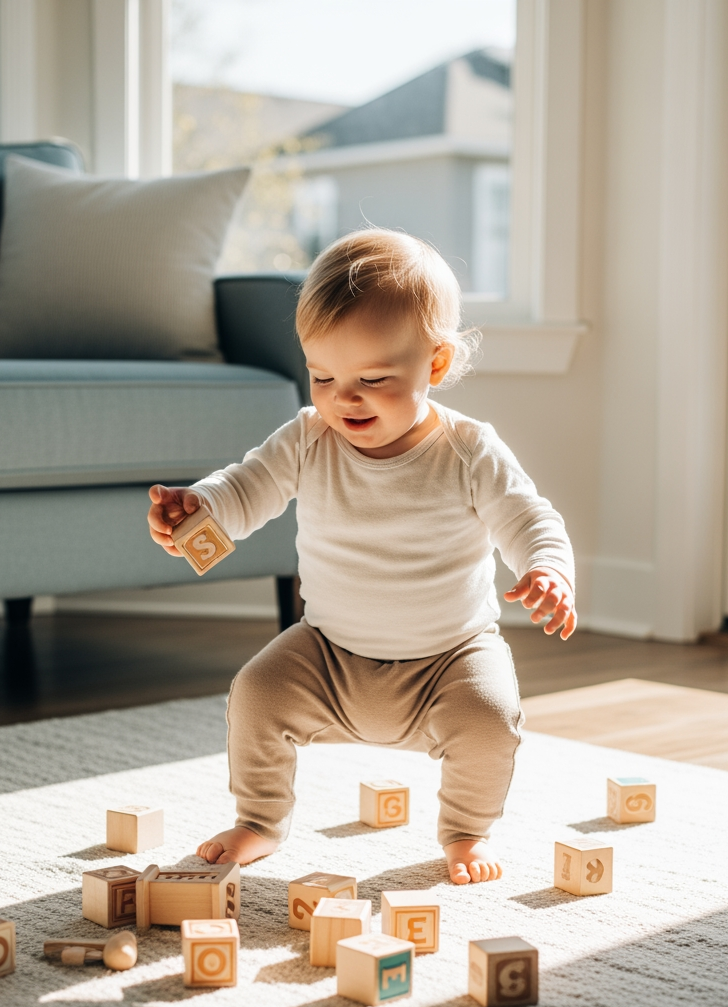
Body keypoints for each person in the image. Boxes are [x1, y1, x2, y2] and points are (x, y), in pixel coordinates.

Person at [147, 228, 576, 884]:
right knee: (256, 693)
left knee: (491, 720)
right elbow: (246, 487)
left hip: (449, 657)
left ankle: (465, 830)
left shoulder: (468, 450)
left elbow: (529, 519)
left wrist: (546, 569)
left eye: (373, 379)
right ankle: (260, 819)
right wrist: (198, 508)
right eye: (323, 375)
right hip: (329, 652)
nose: (344, 397)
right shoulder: (309, 438)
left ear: (433, 365)